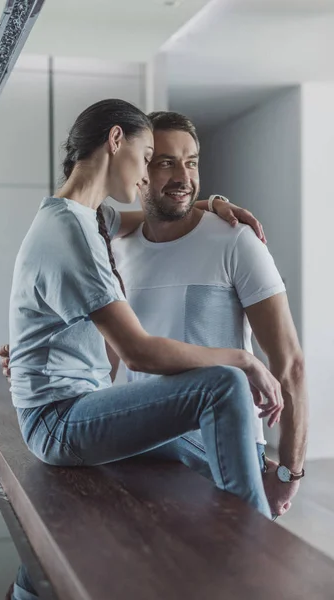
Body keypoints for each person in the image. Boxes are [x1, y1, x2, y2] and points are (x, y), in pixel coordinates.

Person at [6, 98, 284, 519]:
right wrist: (244, 360)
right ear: (116, 140)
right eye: (148, 158)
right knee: (223, 384)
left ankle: (251, 519)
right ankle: (254, 544)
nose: (143, 175)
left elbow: (149, 216)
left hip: (69, 409)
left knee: (215, 447)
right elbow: (137, 352)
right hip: (59, 421)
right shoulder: (72, 231)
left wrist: (210, 204)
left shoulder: (87, 217)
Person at [107, 111, 307, 519]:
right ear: (138, 169)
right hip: (140, 449)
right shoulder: (118, 247)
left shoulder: (235, 241)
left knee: (232, 575)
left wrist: (288, 474)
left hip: (222, 451)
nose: (183, 175)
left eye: (191, 161)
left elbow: (290, 366)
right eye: (165, 162)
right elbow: (113, 355)